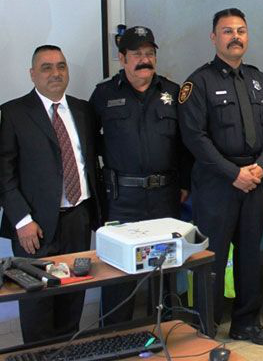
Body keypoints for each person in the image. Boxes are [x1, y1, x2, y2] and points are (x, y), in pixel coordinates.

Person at [178, 8, 263, 345]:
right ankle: (206, 326)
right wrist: (232, 173)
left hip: (253, 178)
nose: (235, 36)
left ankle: (246, 323)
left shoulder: (258, 79)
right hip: (217, 184)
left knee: (250, 256)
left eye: (241, 30)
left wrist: (261, 168)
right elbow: (195, 138)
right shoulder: (199, 83)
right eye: (227, 31)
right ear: (214, 38)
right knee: (213, 260)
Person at [90, 25, 192, 326]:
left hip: (165, 196)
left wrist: (184, 183)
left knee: (168, 267)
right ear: (122, 58)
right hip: (123, 197)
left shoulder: (173, 93)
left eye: (149, 53)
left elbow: (187, 145)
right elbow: (90, 143)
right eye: (137, 54)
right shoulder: (104, 94)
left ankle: (170, 331)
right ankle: (114, 336)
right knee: (119, 272)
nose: (144, 59)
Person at [0, 45, 101, 343]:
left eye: (61, 66)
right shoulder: (13, 113)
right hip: (35, 226)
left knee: (73, 297)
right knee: (37, 304)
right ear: (32, 74)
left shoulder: (84, 111)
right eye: (46, 67)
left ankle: (67, 352)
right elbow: (3, 173)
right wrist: (21, 221)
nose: (55, 73)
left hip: (78, 219)